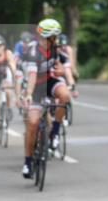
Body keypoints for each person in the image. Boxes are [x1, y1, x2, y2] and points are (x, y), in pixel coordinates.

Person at [19, 19, 74, 178]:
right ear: (47, 37)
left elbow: (64, 67)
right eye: (54, 37)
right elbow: (32, 76)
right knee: (33, 124)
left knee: (65, 95)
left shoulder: (55, 49)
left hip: (49, 82)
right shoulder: (33, 52)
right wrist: (28, 94)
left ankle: (55, 132)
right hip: (35, 86)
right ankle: (28, 162)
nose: (56, 39)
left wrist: (62, 72)